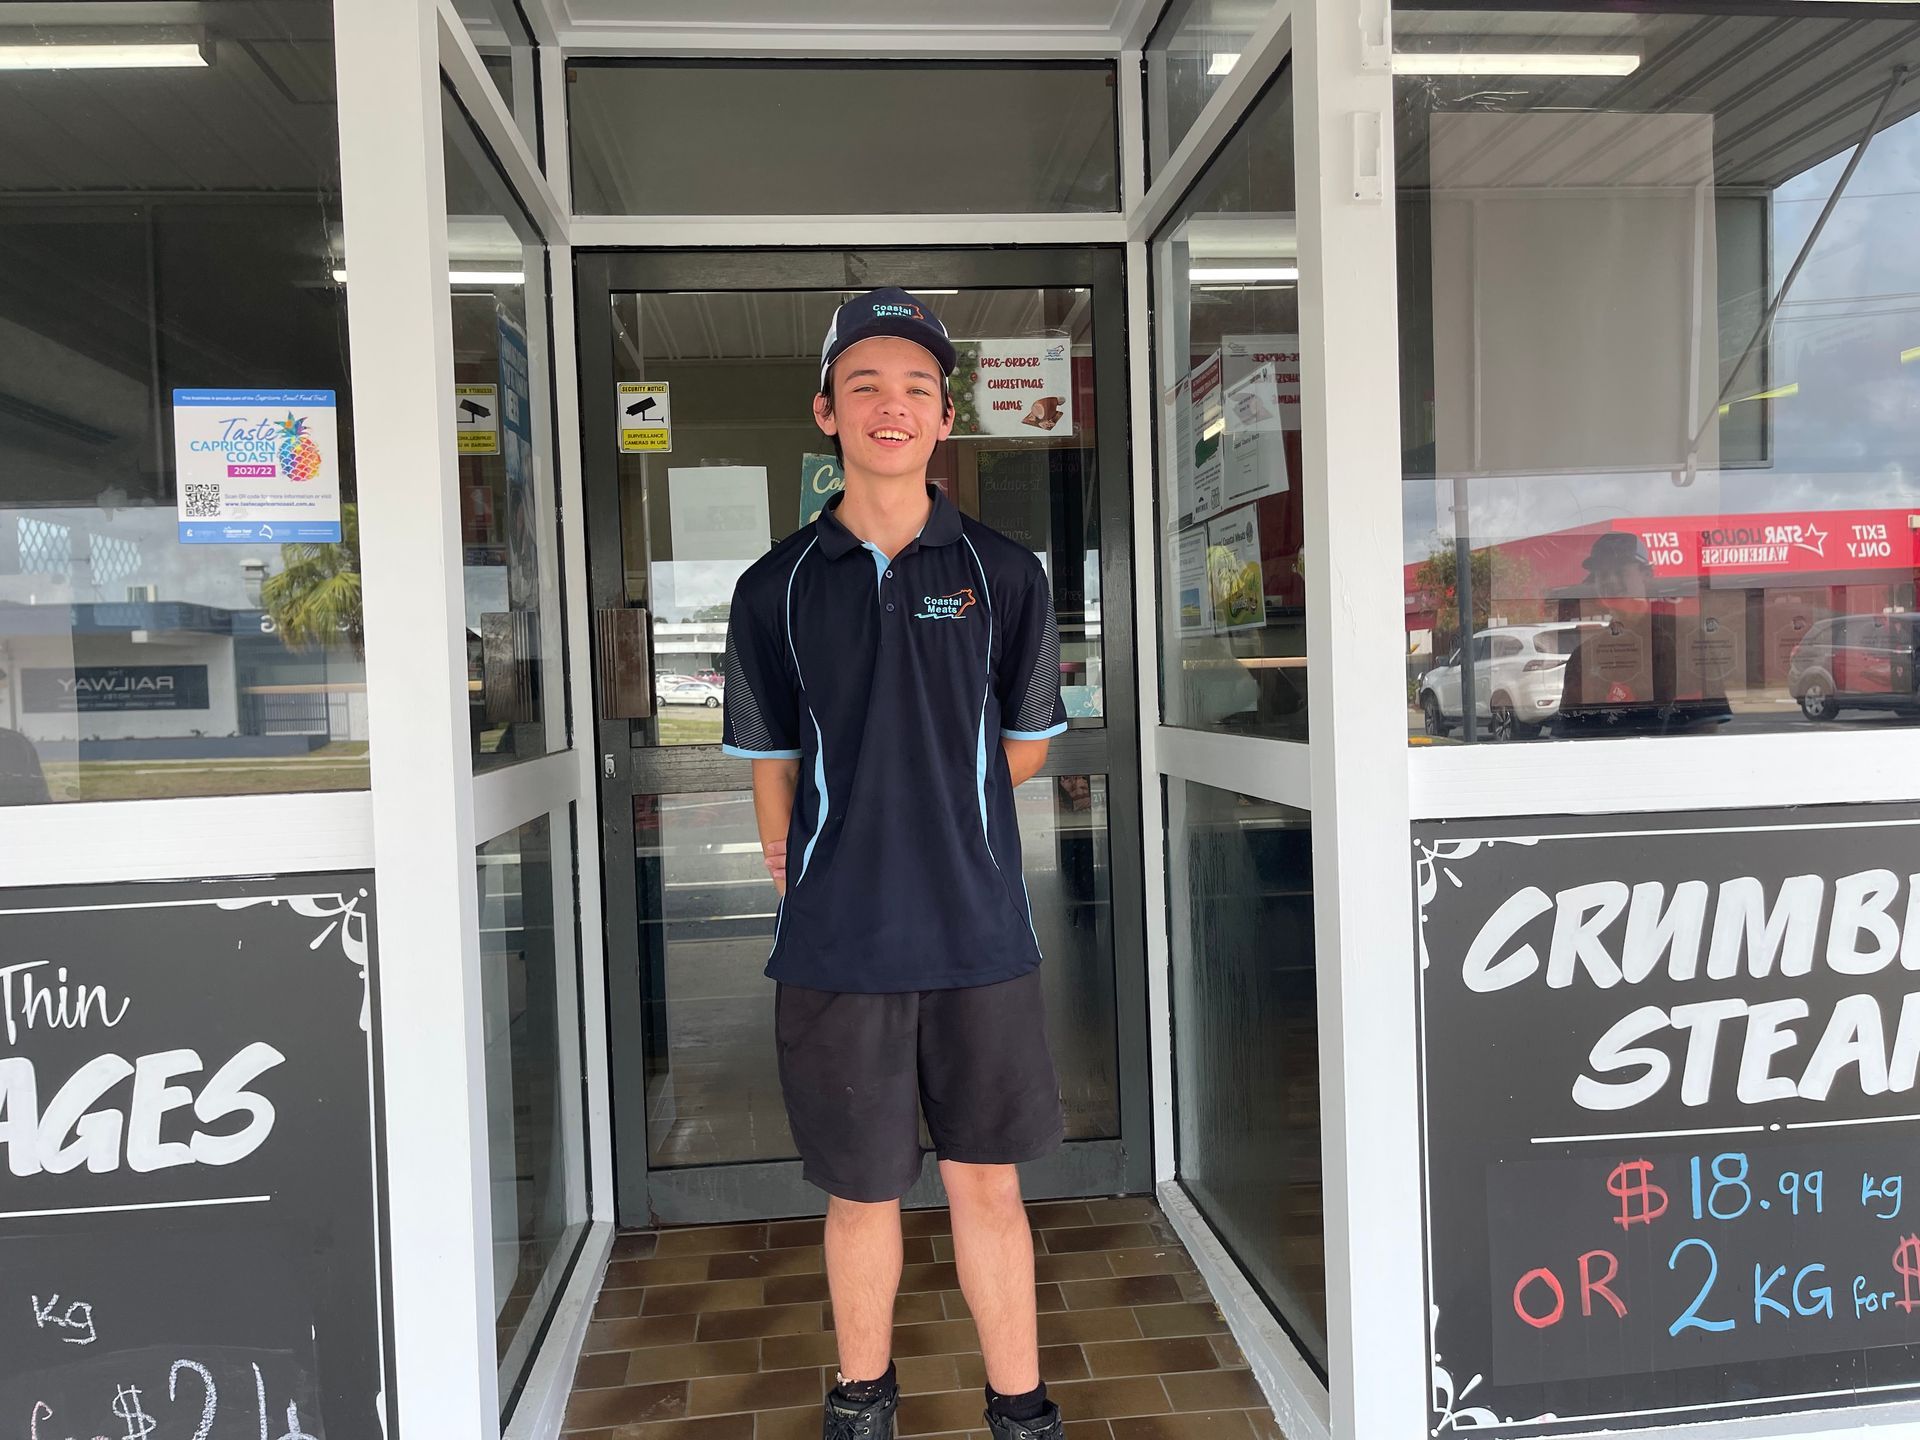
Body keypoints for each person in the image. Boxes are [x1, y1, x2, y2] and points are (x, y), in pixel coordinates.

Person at [719, 288, 1070, 1440]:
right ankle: (862, 1404)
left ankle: (1020, 1410)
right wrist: (804, 860)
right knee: (860, 1192)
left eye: (917, 387)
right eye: (864, 384)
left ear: (946, 416)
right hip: (839, 943)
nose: (892, 404)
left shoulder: (1003, 572)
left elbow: (1026, 744)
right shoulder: (774, 586)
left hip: (978, 933)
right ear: (826, 411)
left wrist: (927, 803)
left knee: (987, 1185)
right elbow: (771, 758)